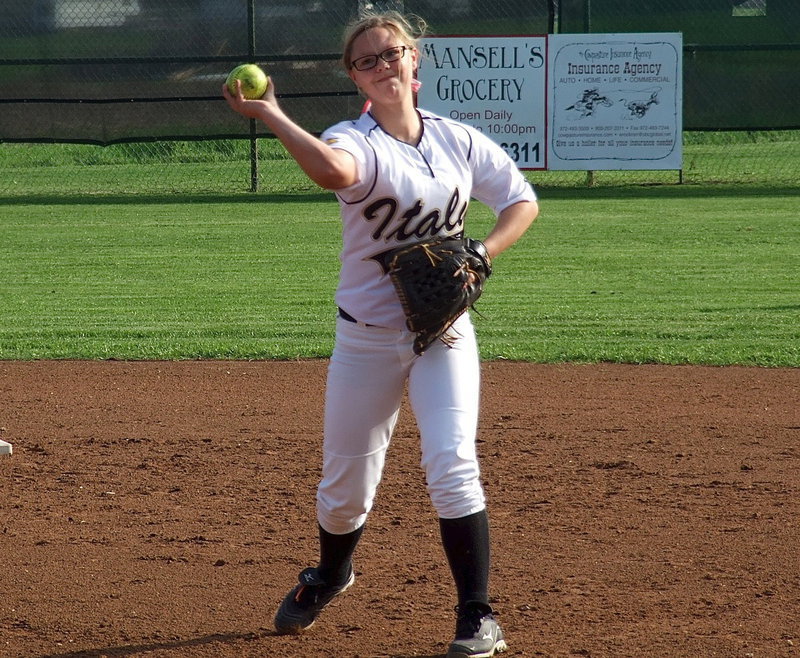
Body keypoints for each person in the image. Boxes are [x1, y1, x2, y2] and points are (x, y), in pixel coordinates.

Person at [223, 10, 539, 658]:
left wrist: (482, 252)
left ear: (414, 61)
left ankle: (477, 616)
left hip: (443, 333)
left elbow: (521, 200)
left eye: (391, 52)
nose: (382, 64)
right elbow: (335, 174)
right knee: (343, 496)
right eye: (367, 59)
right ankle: (332, 573)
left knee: (452, 463)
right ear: (356, 77)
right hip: (366, 339)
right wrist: (275, 116)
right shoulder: (356, 139)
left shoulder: (457, 140)